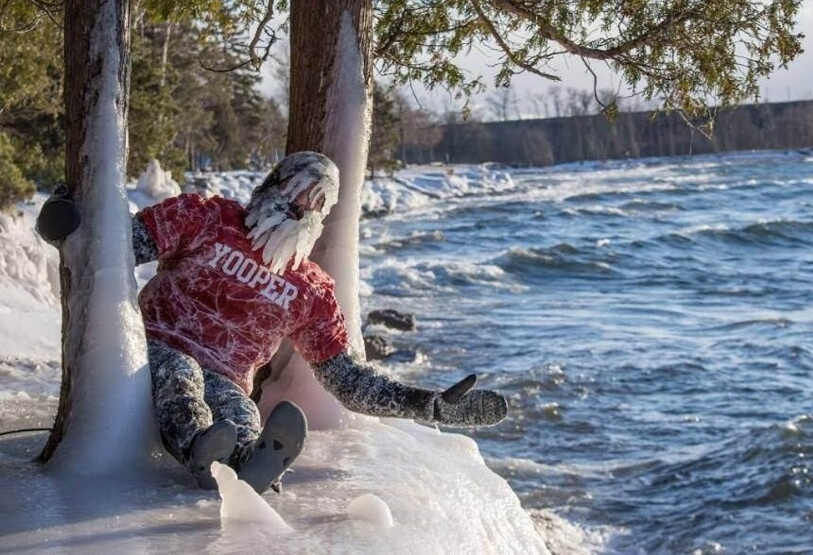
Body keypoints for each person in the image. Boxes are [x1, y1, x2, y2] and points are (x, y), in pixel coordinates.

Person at [37, 151, 508, 493]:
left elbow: (345, 377)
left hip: (227, 377)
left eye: (317, 203)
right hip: (157, 348)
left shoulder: (311, 288)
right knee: (180, 378)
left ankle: (246, 462)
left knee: (241, 413)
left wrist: (429, 406)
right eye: (296, 192)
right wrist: (67, 222)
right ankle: (201, 448)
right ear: (270, 186)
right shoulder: (205, 219)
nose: (302, 207)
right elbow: (118, 249)